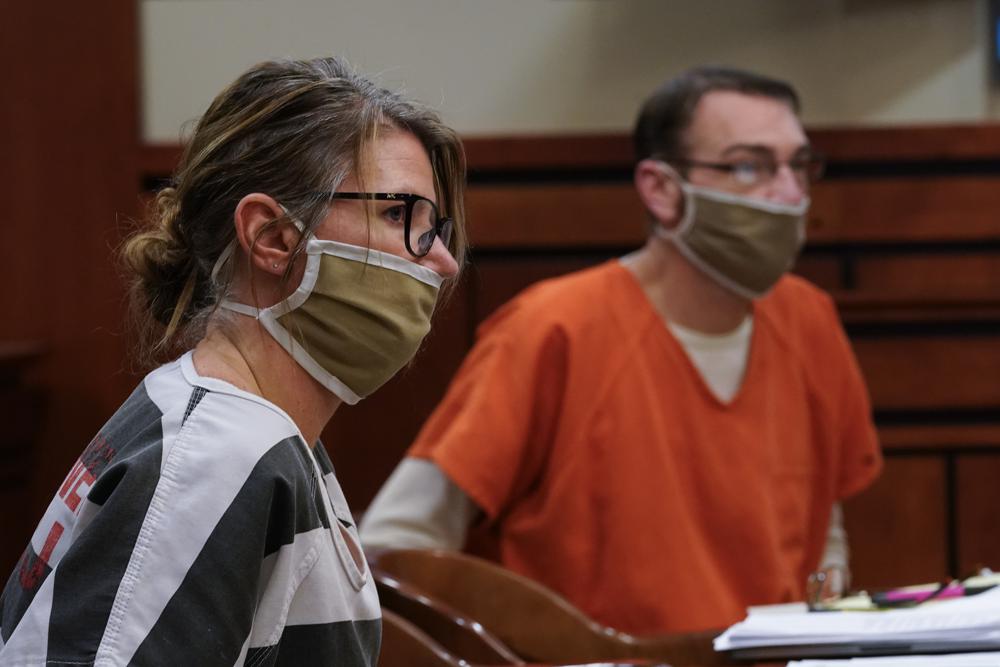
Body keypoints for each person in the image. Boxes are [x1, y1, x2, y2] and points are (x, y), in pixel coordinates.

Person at [359, 66, 882, 635]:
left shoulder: (809, 320)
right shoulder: (552, 328)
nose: (789, 193)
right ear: (661, 189)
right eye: (749, 166)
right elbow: (394, 546)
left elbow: (823, 526)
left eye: (798, 165)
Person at [0, 57, 466, 666]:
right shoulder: (217, 456)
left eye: (434, 227)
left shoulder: (242, 428)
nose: (444, 262)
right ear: (274, 239)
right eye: (400, 215)